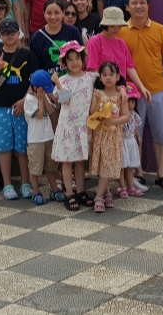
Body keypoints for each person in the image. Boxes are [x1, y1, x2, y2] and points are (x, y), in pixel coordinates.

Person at [119, 0, 163, 191]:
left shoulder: (160, 29)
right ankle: (139, 173)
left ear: (147, 5)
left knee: (162, 132)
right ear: (127, 7)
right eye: (134, 3)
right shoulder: (121, 31)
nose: (139, 6)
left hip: (158, 88)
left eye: (142, 2)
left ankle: (161, 173)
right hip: (131, 94)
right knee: (134, 134)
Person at [0, 19, 40, 200]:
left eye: (12, 32)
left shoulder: (28, 55)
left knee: (23, 146)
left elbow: (34, 82)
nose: (9, 36)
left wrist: (24, 101)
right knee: (4, 147)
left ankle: (25, 182)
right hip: (0, 107)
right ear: (0, 35)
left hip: (22, 107)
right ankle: (7, 183)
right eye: (5, 33)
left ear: (19, 34)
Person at [51, 42, 94, 212]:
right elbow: (65, 101)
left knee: (80, 161)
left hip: (84, 125)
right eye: (70, 59)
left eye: (77, 58)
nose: (75, 62)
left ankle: (81, 191)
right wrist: (58, 84)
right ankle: (69, 193)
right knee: (67, 160)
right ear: (64, 62)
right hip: (68, 125)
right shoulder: (63, 80)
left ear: (83, 58)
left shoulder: (91, 78)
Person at [89, 61, 130, 213]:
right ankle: (106, 192)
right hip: (100, 134)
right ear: (100, 77)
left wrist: (112, 121)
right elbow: (92, 112)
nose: (108, 78)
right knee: (102, 163)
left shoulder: (120, 96)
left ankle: (99, 196)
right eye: (104, 75)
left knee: (107, 163)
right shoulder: (98, 93)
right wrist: (97, 101)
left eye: (111, 74)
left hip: (113, 135)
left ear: (117, 77)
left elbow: (126, 116)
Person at [86, 7, 149, 100]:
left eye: (119, 26)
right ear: (105, 25)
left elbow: (130, 67)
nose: (116, 29)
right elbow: (92, 70)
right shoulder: (95, 41)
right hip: (102, 92)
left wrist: (141, 87)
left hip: (121, 91)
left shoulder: (121, 43)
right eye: (112, 26)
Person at [24, 71, 63, 205]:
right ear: (36, 87)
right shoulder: (29, 99)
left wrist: (44, 97)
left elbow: (51, 111)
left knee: (50, 166)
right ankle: (36, 191)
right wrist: (40, 100)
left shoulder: (44, 95)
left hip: (48, 136)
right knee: (35, 167)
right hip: (36, 139)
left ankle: (54, 189)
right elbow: (40, 115)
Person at [29, 0, 83, 74]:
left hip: (72, 78)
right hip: (48, 80)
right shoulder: (36, 39)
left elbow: (81, 57)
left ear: (63, 13)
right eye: (49, 13)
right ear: (44, 13)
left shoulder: (73, 31)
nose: (53, 17)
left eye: (57, 13)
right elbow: (35, 69)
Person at [119, 83, 145, 197]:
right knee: (121, 166)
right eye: (128, 101)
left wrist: (138, 136)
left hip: (131, 141)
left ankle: (130, 187)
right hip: (121, 142)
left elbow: (135, 128)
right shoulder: (119, 115)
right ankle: (122, 187)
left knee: (130, 167)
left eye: (133, 102)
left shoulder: (134, 115)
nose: (130, 104)